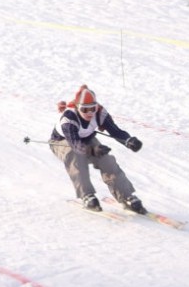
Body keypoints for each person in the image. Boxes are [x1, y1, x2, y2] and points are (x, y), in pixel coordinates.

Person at [50, 84, 146, 213]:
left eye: (92, 108)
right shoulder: (69, 118)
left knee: (106, 160)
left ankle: (126, 196)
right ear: (77, 107)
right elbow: (75, 144)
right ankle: (87, 195)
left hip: (87, 139)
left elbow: (114, 130)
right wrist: (92, 150)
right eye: (84, 109)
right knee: (76, 157)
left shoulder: (100, 112)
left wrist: (128, 140)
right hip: (62, 141)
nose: (89, 113)